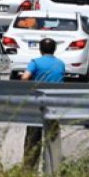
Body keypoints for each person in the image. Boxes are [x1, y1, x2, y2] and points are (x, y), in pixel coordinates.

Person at [21, 38, 65, 169]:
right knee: (52, 137)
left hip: (37, 105)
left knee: (33, 138)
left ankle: (29, 168)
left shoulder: (35, 63)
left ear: (40, 49)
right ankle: (54, 167)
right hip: (54, 105)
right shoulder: (60, 64)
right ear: (54, 49)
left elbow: (25, 77)